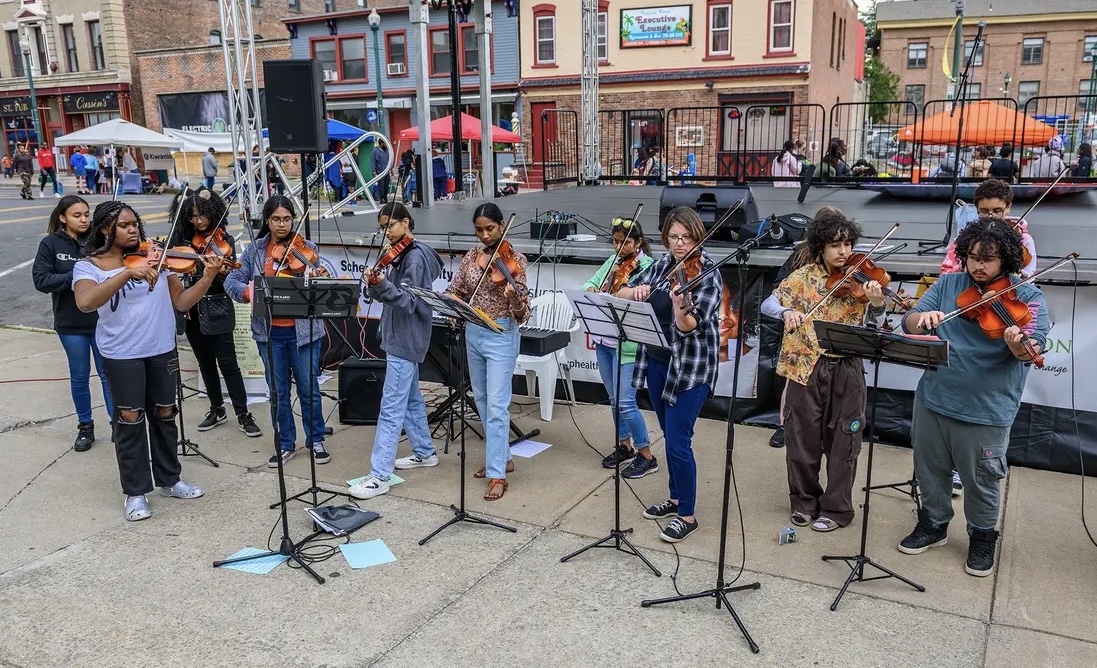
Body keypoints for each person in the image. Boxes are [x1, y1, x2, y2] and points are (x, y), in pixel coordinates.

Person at [897, 218, 1048, 577]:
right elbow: (909, 321)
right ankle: (932, 525)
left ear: (1007, 260)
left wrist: (1019, 346)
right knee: (929, 468)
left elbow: (1034, 344)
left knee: (981, 479)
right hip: (934, 397)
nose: (978, 266)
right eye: (973, 257)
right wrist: (922, 319)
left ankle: (982, 537)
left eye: (988, 259)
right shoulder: (949, 284)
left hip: (986, 408)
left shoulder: (1027, 296)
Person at [72, 201, 225, 522]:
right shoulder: (90, 266)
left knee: (166, 414)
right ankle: (136, 491)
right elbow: (86, 302)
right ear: (105, 229)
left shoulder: (158, 257)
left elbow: (181, 301)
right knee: (128, 419)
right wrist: (127, 272)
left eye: (134, 224)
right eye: (124, 225)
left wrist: (208, 275)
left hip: (161, 349)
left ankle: (170, 479)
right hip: (120, 353)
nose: (133, 230)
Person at [771, 208, 886, 532]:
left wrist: (877, 303)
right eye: (836, 245)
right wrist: (786, 311)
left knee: (844, 441)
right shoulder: (802, 276)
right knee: (800, 440)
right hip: (805, 365)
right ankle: (804, 502)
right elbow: (770, 302)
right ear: (821, 246)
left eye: (848, 244)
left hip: (845, 368)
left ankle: (836, 509)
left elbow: (877, 322)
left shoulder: (862, 277)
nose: (844, 252)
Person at [614, 207, 722, 543]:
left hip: (691, 370)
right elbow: (620, 292)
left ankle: (687, 515)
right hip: (658, 364)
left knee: (678, 442)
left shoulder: (708, 274)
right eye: (674, 236)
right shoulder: (661, 265)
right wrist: (637, 292)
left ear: (697, 236)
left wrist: (679, 307)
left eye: (686, 237)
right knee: (668, 434)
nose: (679, 243)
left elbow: (690, 327)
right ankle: (675, 499)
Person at [223, 196, 330, 468]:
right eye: (276, 219)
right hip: (270, 334)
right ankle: (285, 443)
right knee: (278, 392)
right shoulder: (255, 251)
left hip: (304, 332)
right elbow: (232, 280)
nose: (282, 224)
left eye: (287, 219)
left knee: (309, 390)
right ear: (267, 221)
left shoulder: (306, 248)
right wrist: (246, 292)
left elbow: (323, 273)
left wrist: (318, 273)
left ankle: (316, 439)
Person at [348, 202, 444, 499]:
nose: (386, 232)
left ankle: (379, 476)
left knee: (391, 408)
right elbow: (382, 293)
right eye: (382, 227)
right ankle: (425, 452)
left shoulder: (414, 259)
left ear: (406, 223)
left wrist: (383, 285)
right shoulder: (397, 253)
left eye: (390, 225)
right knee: (412, 398)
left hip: (407, 338)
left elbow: (409, 302)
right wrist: (374, 283)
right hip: (397, 336)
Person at [444, 202, 529, 501]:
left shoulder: (515, 259)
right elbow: (456, 289)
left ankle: (497, 474)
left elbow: (523, 312)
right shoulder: (470, 256)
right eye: (479, 230)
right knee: (481, 399)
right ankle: (503, 457)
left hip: (501, 333)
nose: (484, 236)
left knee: (496, 405)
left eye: (489, 229)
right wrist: (451, 302)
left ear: (502, 225)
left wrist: (515, 300)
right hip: (473, 331)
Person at [167, 189, 262, 438]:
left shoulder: (224, 241)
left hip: (217, 306)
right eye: (193, 216)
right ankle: (217, 408)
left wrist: (219, 273)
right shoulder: (181, 242)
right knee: (205, 363)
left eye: (203, 215)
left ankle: (243, 413)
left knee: (228, 363)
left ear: (213, 213)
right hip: (192, 311)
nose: (198, 221)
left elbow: (228, 281)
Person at [32, 195, 115, 451]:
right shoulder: (50, 244)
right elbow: (41, 280)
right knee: (79, 376)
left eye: (86, 214)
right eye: (76, 215)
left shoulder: (98, 241)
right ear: (62, 217)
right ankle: (85, 426)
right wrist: (76, 276)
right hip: (70, 323)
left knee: (108, 375)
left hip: (103, 320)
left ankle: (118, 424)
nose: (83, 219)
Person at [581, 215, 655, 470]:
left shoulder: (647, 266)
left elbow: (642, 299)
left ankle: (646, 453)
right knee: (613, 399)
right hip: (604, 339)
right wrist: (593, 288)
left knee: (626, 401)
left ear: (638, 243)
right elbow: (589, 283)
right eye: (615, 242)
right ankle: (624, 445)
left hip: (629, 344)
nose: (618, 248)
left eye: (624, 243)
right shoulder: (612, 262)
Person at [759, 241, 815, 448]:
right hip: (799, 332)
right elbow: (777, 289)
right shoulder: (800, 258)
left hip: (828, 341)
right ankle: (784, 427)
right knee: (791, 381)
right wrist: (788, 309)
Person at [372, 139, 390, 203]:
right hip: (380, 172)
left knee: (386, 186)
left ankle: (385, 198)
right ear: (381, 143)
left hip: (387, 171)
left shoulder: (387, 151)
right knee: (381, 186)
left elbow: (389, 160)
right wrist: (373, 170)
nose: (386, 145)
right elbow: (373, 161)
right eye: (385, 143)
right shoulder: (375, 151)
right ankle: (381, 198)